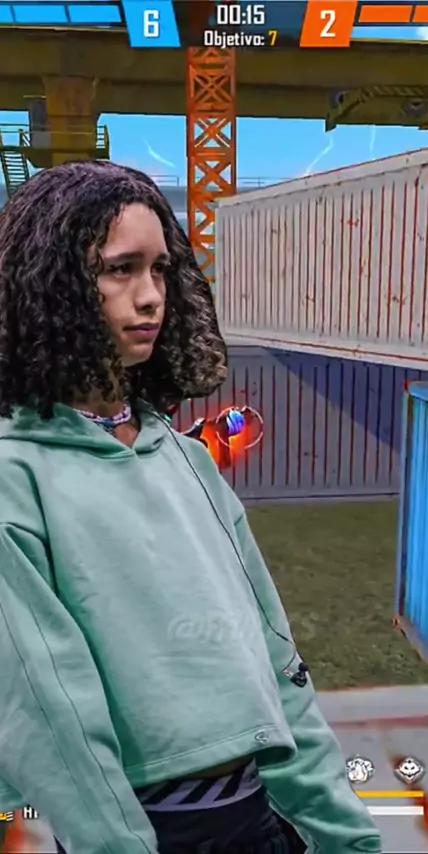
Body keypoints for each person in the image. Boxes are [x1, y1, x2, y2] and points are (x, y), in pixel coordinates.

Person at [0, 160, 382, 854]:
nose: (150, 297)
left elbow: (278, 664)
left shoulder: (188, 460)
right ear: (49, 284)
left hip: (259, 818)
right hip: (148, 832)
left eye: (161, 270)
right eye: (119, 270)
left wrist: (345, 837)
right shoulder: (14, 476)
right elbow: (43, 709)